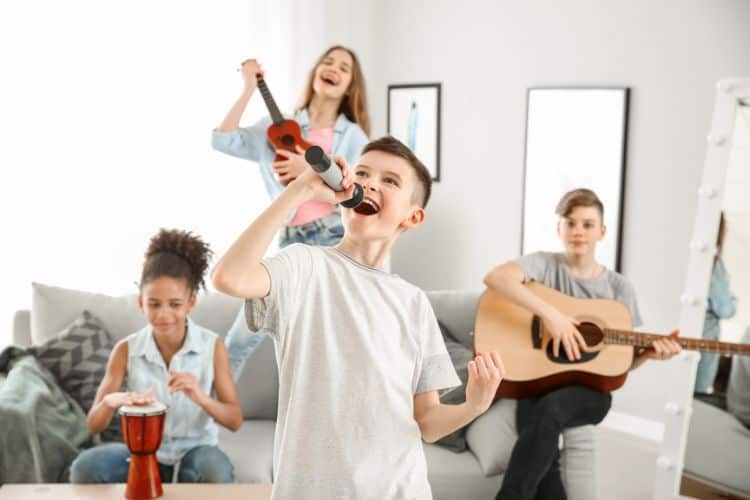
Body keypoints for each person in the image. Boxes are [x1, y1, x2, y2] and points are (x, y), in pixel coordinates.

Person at [212, 136, 505, 499]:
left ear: (413, 216)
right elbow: (229, 276)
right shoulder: (304, 266)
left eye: (390, 181)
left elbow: (427, 423)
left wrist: (473, 405)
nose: (369, 183)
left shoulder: (413, 303)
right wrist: (299, 192)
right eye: (363, 173)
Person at [484, 188, 682, 500]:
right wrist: (552, 316)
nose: (578, 231)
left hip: (590, 392)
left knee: (547, 413)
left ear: (602, 232)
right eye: (571, 223)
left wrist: (648, 356)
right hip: (536, 380)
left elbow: (617, 363)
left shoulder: (618, 288)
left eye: (588, 224)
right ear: (559, 229)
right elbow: (496, 278)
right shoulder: (545, 265)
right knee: (542, 456)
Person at [213, 46, 371, 379]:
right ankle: (206, 417)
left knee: (331, 339)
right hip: (289, 240)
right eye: (327, 62)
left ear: (349, 87)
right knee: (241, 336)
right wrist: (248, 90)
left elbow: (354, 195)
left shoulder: (354, 137)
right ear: (316, 72)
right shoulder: (278, 129)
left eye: (344, 68)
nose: (333, 68)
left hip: (331, 239)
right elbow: (222, 140)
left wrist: (308, 165)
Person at [70, 229, 242, 484]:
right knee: (85, 467)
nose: (163, 315)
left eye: (174, 304)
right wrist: (110, 402)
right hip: (139, 453)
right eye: (154, 304)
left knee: (216, 470)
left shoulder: (212, 346)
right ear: (141, 303)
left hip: (195, 453)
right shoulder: (125, 350)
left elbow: (234, 420)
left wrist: (200, 397)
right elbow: (93, 425)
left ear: (191, 303)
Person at [695, 212, 736, 394]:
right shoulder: (712, 264)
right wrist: (734, 301)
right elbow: (726, 309)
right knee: (698, 398)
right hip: (704, 344)